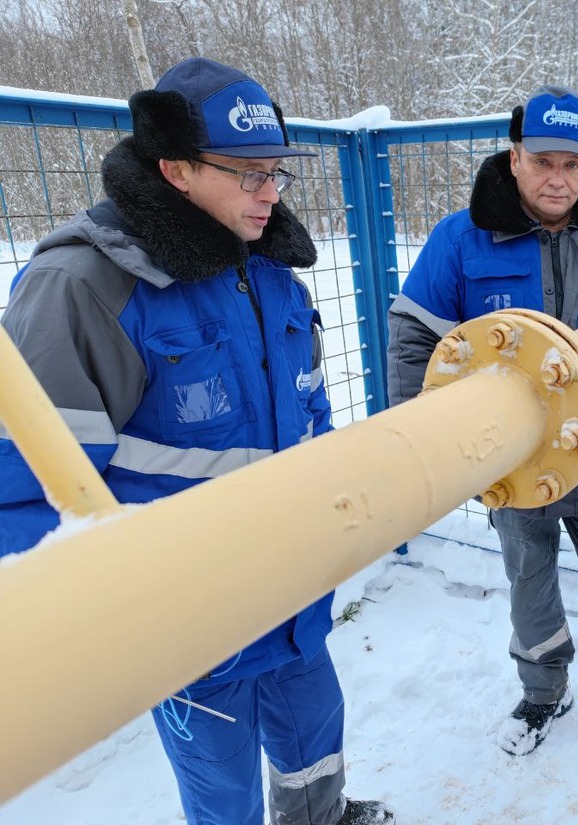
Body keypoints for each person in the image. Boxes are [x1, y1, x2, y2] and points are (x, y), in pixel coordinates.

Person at [0, 58, 393, 825]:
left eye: (277, 171)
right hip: (188, 624)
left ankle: (320, 814)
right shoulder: (84, 288)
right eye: (248, 174)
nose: (271, 192)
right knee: (223, 793)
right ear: (174, 168)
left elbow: (311, 421)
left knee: (315, 736)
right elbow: (24, 495)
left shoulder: (272, 273)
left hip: (295, 593)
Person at [386, 85, 578, 761]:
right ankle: (542, 689)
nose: (559, 179)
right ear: (515, 156)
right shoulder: (460, 241)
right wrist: (423, 441)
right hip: (512, 463)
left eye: (574, 164)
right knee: (529, 576)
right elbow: (416, 336)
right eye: (543, 161)